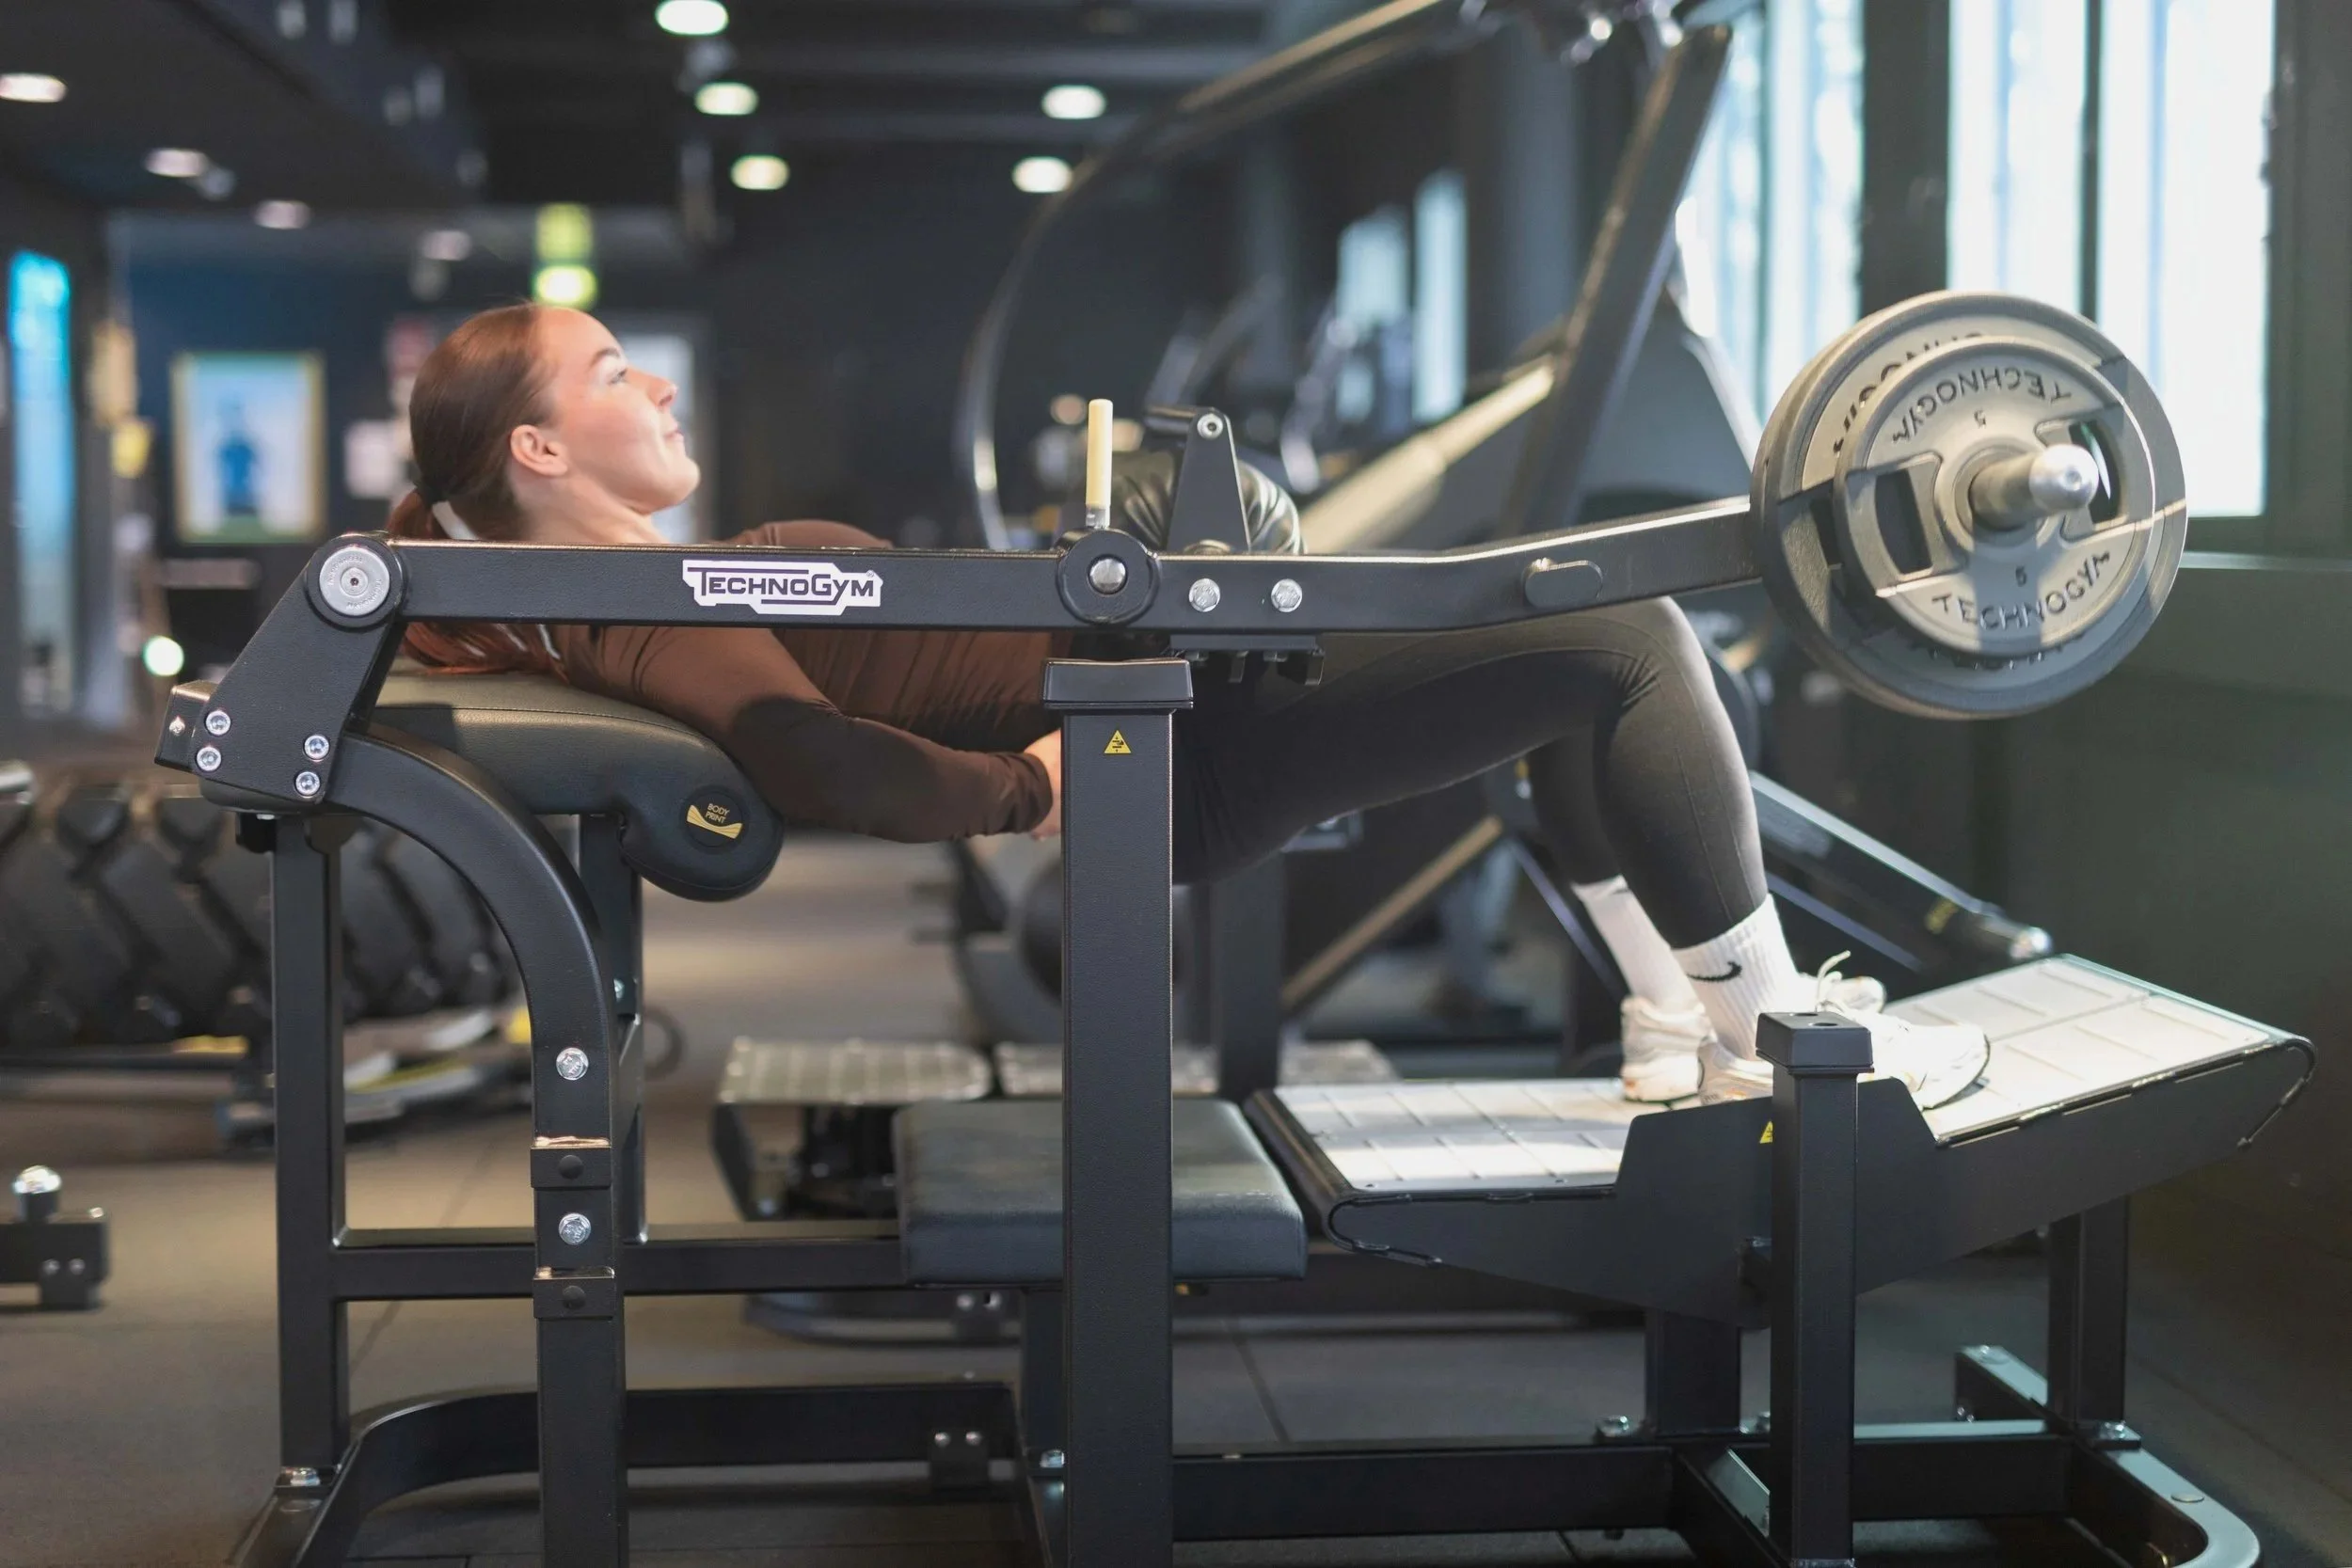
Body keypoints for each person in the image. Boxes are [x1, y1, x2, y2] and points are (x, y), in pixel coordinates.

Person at [389, 302, 1992, 1108]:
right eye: (615, 372)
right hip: (1178, 736)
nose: (658, 382)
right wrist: (1035, 789)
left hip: (1176, 699)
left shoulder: (658, 582)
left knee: (1569, 664)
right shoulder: (654, 604)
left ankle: (1678, 1029)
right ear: (539, 450)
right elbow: (810, 759)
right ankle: (1782, 1036)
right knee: (1629, 633)